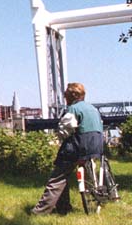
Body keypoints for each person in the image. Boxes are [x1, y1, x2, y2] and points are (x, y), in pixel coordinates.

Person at [31, 82, 104, 215]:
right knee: (88, 175)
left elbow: (65, 129)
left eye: (66, 96)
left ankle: (41, 211)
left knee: (58, 176)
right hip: (96, 146)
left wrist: (57, 136)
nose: (65, 98)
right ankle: (68, 206)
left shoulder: (73, 109)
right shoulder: (93, 109)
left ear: (73, 96)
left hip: (78, 146)